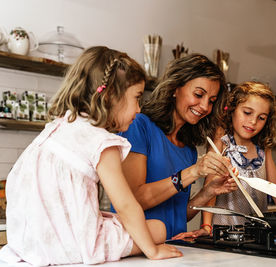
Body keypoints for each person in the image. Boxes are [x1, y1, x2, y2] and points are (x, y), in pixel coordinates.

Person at [0, 46, 182, 266]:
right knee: (158, 228)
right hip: (73, 244)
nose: (138, 109)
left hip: (31, 242)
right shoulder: (102, 142)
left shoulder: (57, 127)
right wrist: (152, 251)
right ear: (112, 96)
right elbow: (125, 204)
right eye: (136, 98)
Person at [116, 54, 237, 240]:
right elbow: (134, 200)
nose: (205, 106)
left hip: (172, 248)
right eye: (198, 94)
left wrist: (208, 192)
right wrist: (194, 171)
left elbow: (179, 214)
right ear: (175, 88)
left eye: (211, 101)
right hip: (137, 248)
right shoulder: (138, 127)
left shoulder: (188, 149)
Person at [201, 81, 276, 232]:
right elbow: (210, 187)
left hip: (258, 234)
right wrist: (206, 227)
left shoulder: (263, 147)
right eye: (247, 113)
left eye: (261, 118)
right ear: (233, 110)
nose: (253, 122)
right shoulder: (221, 140)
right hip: (224, 233)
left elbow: (275, 186)